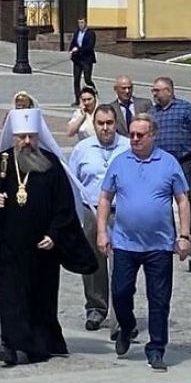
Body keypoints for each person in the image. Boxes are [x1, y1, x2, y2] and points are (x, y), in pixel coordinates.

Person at [0, 108, 98, 366]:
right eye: (22, 137)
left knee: (41, 299)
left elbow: (64, 208)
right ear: (13, 137)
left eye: (31, 137)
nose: (27, 142)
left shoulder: (50, 165)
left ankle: (39, 345)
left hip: (42, 250)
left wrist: (55, 235)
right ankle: (11, 345)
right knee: (11, 298)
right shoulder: (0, 164)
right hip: (9, 249)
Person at [97, 114, 191, 372]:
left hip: (159, 245)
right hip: (125, 243)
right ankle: (127, 326)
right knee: (120, 292)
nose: (135, 139)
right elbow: (105, 198)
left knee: (159, 299)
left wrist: (184, 235)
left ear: (153, 136)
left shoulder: (168, 163)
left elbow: (182, 200)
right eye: (132, 135)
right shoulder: (120, 162)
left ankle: (156, 348)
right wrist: (102, 232)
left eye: (140, 135)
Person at [68, 105, 130, 332]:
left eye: (109, 123)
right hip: (91, 210)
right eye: (100, 123)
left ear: (116, 124)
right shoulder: (82, 149)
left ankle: (121, 312)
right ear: (94, 125)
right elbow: (73, 182)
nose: (105, 128)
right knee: (93, 261)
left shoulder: (127, 147)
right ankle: (96, 307)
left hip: (120, 210)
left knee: (122, 262)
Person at [150, 76, 191, 188]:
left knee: (183, 193)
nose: (154, 94)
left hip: (182, 162)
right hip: (158, 163)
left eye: (157, 90)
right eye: (153, 91)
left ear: (169, 91)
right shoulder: (152, 113)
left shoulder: (186, 108)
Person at [68, 17, 97, 104]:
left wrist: (78, 49)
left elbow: (90, 46)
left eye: (82, 23)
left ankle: (94, 93)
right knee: (76, 79)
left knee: (87, 79)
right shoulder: (77, 32)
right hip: (77, 59)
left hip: (87, 59)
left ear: (86, 23)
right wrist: (71, 51)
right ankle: (78, 99)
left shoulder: (91, 33)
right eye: (79, 23)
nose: (80, 25)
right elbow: (73, 43)